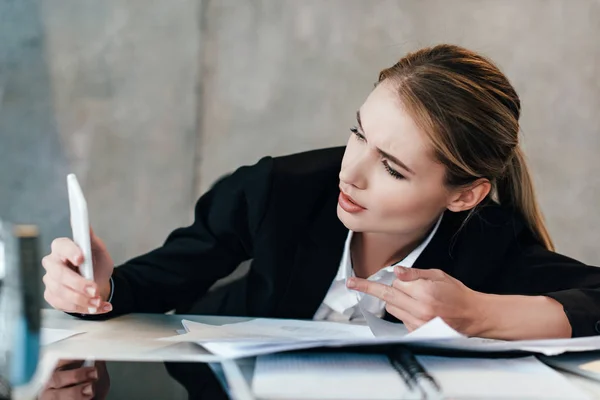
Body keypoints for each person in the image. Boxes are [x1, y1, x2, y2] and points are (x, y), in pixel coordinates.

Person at [41, 44, 600, 339]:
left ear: (464, 196)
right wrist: (96, 288)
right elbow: (153, 283)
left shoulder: (490, 243)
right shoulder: (278, 191)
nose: (350, 173)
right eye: (358, 132)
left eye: (393, 169)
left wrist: (479, 313)